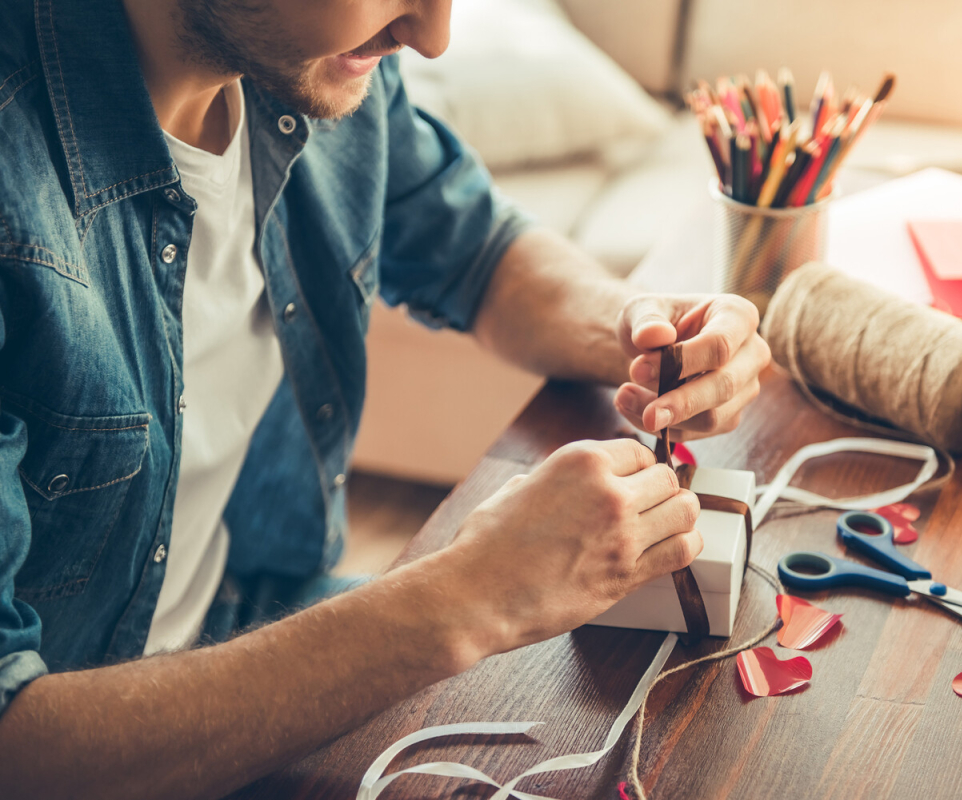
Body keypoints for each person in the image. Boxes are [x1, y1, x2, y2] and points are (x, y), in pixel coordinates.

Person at [0, 0, 770, 797]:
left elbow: (472, 247)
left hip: (245, 618)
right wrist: (463, 598)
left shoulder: (303, 54)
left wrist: (635, 327)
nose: (430, 37)